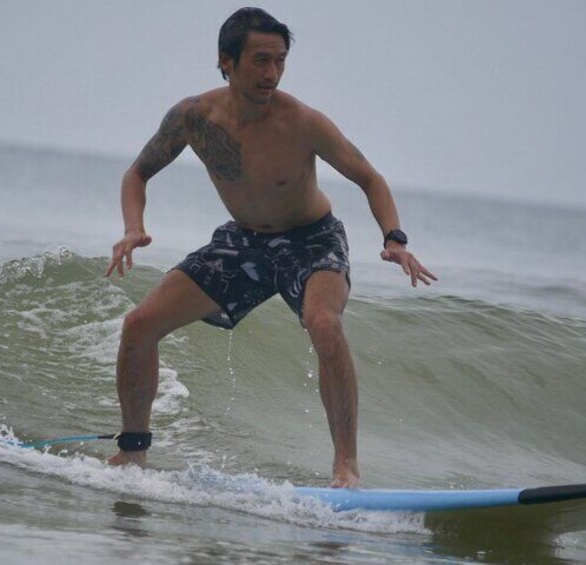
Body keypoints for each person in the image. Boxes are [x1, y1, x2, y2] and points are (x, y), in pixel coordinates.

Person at [105, 7, 436, 487]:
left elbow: (370, 178)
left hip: (312, 240)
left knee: (324, 323)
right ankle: (132, 453)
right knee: (138, 326)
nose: (272, 74)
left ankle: (346, 465)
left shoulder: (302, 122)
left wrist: (394, 238)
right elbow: (137, 173)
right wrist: (133, 227)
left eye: (280, 61)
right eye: (261, 60)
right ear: (226, 61)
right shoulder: (193, 117)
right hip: (243, 240)